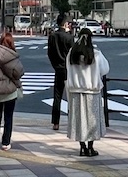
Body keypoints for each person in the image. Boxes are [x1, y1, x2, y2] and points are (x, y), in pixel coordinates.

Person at [66, 28, 109, 157]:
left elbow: (67, 69)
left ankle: (82, 147)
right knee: (92, 120)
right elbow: (105, 69)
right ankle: (91, 147)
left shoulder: (71, 54)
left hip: (75, 91)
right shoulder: (95, 54)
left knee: (79, 120)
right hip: (92, 91)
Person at [0, 32, 24, 151]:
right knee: (8, 116)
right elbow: (18, 72)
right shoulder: (11, 56)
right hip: (9, 89)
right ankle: (6, 142)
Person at [47, 14, 73, 131]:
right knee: (71, 96)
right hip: (68, 69)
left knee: (57, 96)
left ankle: (55, 122)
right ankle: (72, 121)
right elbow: (73, 54)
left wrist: (55, 65)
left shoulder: (52, 36)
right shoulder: (69, 37)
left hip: (57, 68)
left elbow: (50, 53)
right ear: (66, 23)